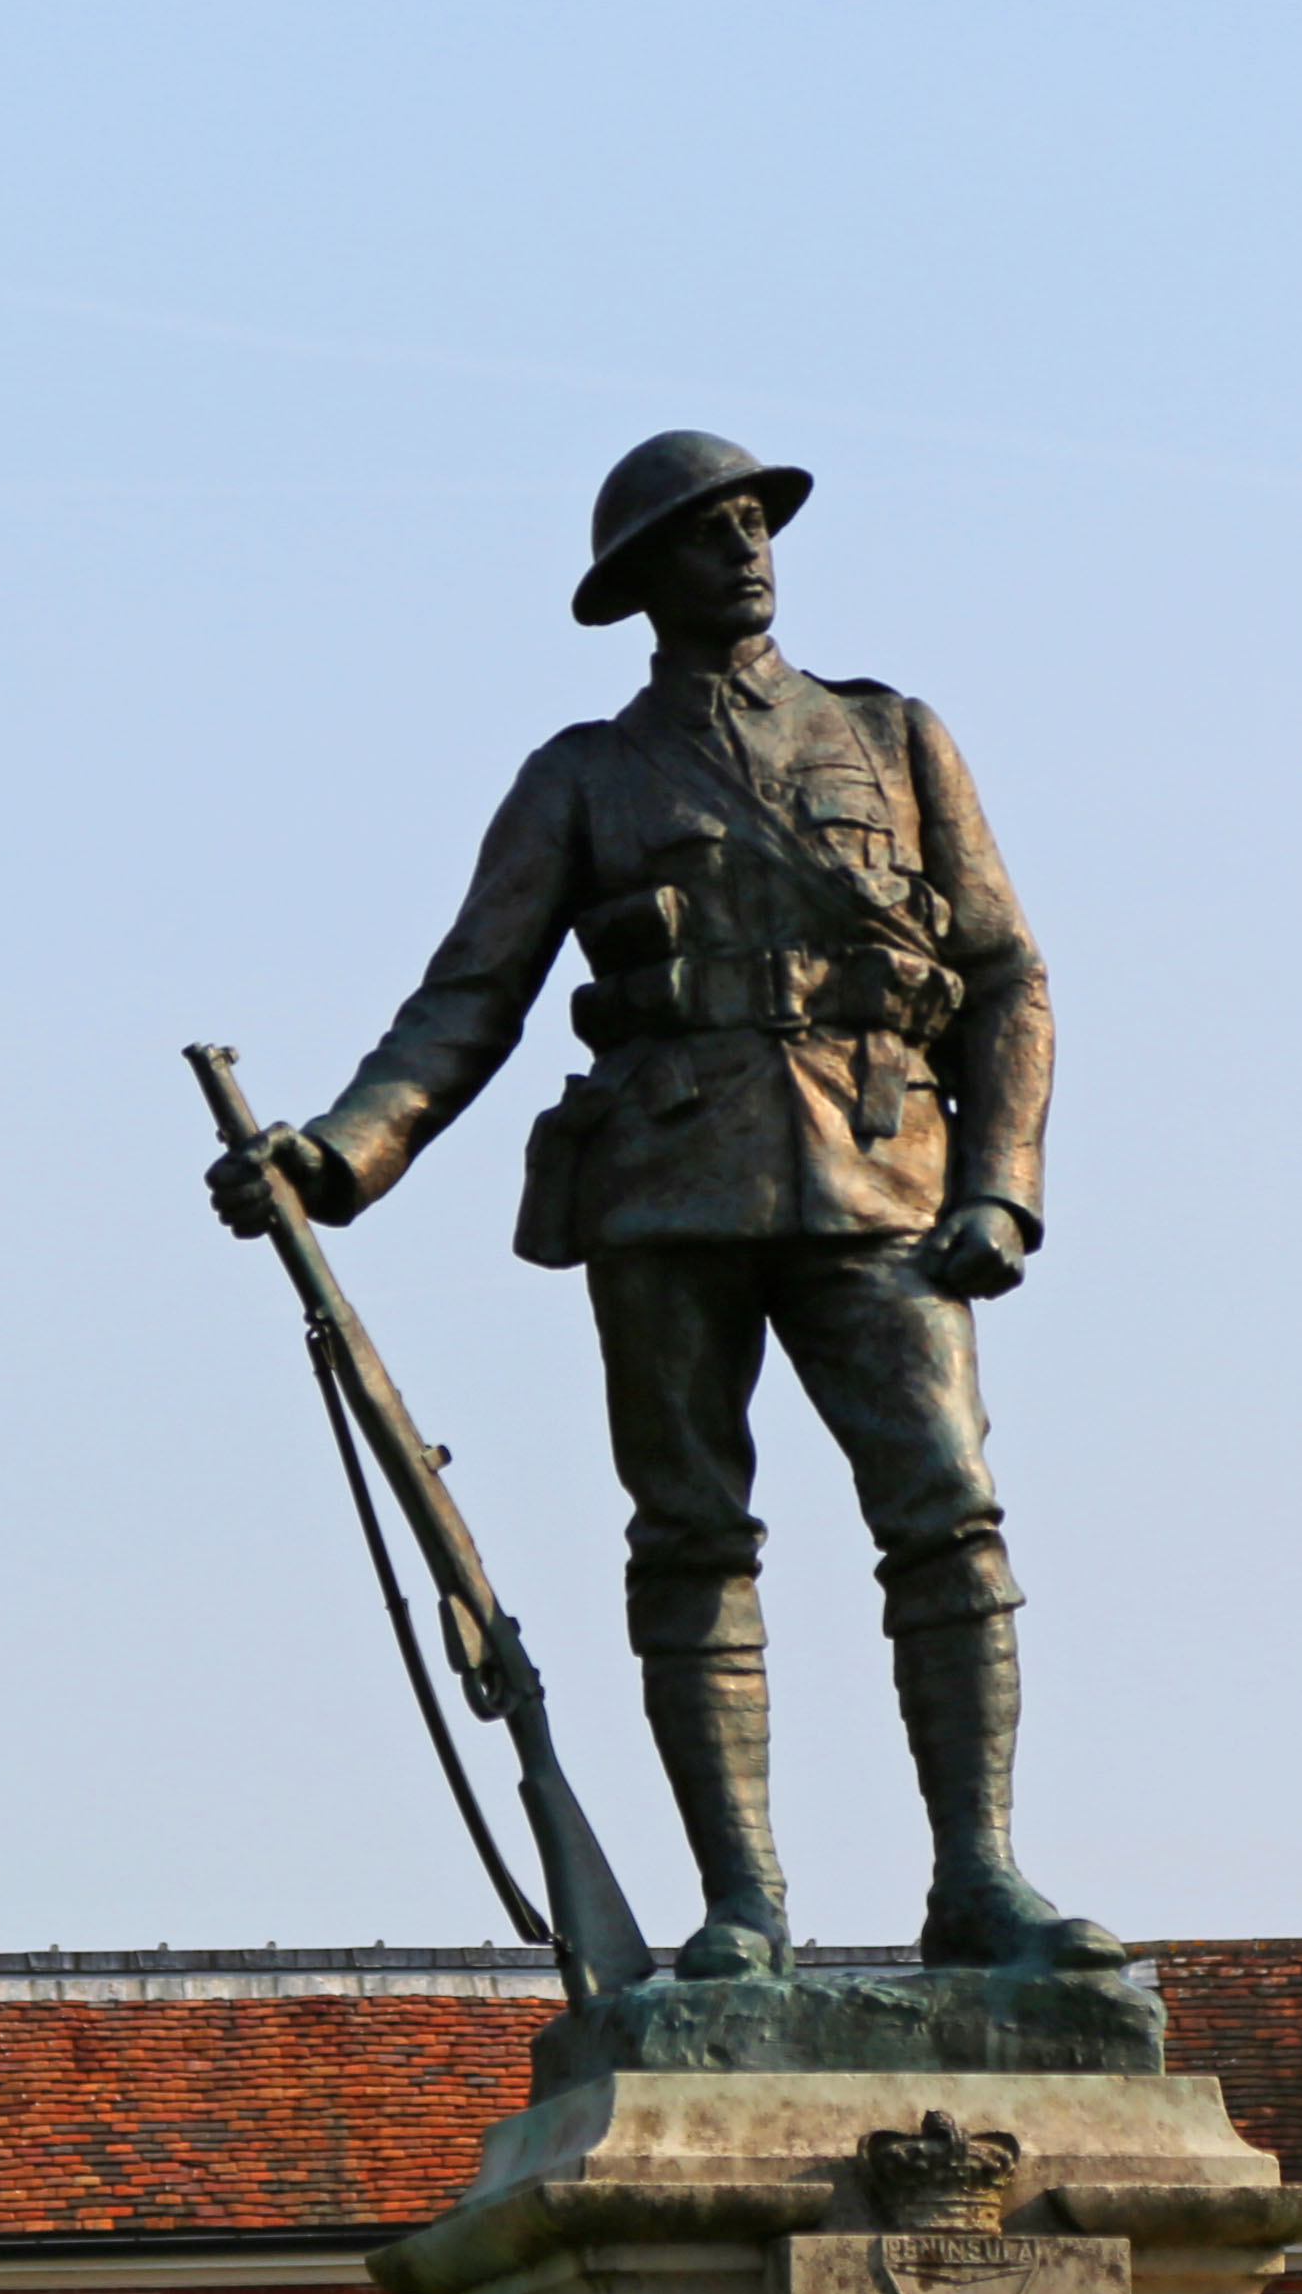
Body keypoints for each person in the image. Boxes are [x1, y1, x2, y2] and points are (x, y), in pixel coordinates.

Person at [208, 431, 1117, 1982]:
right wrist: (341, 1152)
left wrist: (1003, 1186)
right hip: (666, 1186)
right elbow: (468, 1000)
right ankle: (745, 1906)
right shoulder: (583, 776)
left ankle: (980, 1880)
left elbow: (1008, 975)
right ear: (642, 580)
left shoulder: (896, 738)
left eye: (760, 522)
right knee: (691, 1539)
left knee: (947, 1515)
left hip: (886, 1170)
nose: (749, 548)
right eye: (712, 532)